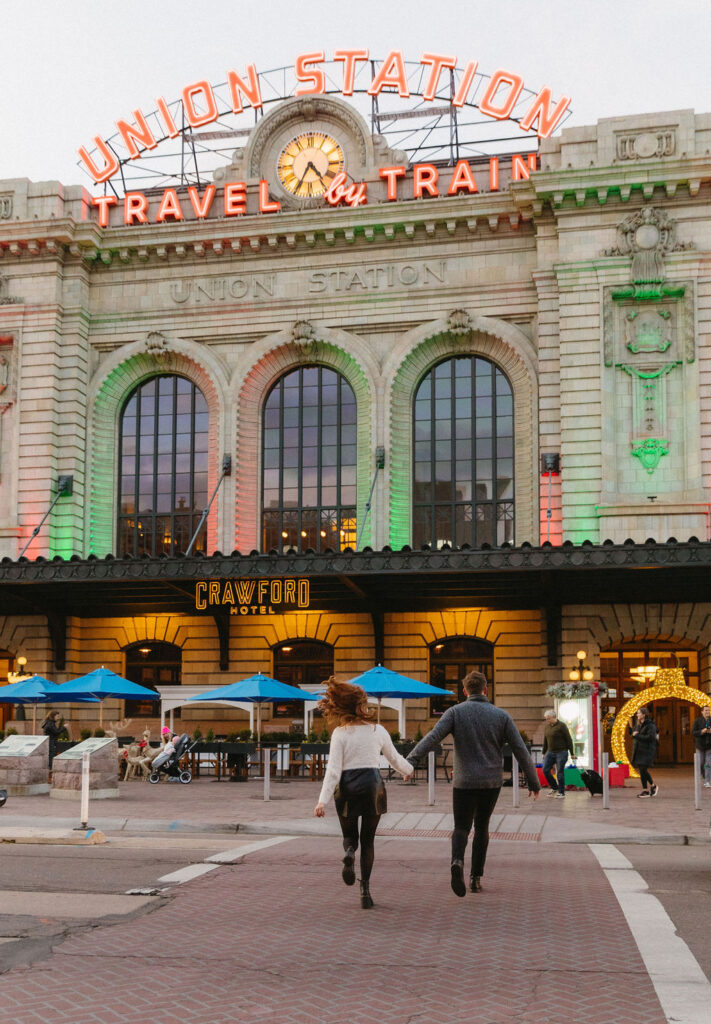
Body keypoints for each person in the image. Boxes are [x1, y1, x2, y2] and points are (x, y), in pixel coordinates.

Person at [406, 670, 539, 898]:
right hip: (490, 782)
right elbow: (520, 749)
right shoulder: (501, 716)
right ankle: (475, 877)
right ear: (486, 690)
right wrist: (534, 782)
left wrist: (410, 762)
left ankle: (457, 860)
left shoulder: (455, 712)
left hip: (464, 780)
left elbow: (433, 737)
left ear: (465, 691)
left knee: (461, 827)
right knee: (482, 827)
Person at [313, 677, 414, 909]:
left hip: (347, 787)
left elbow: (333, 771)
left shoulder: (340, 733)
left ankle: (349, 851)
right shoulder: (377, 730)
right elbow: (394, 758)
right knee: (368, 841)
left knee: (351, 836)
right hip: (372, 786)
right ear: (360, 707)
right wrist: (407, 771)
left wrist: (322, 801)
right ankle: (365, 891)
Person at [542, 709, 576, 799]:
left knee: (559, 772)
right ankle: (554, 787)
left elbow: (569, 739)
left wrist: (572, 753)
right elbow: (545, 740)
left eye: (548, 718)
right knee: (545, 769)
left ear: (554, 717)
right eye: (546, 719)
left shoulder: (562, 726)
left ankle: (561, 792)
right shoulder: (547, 727)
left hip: (561, 752)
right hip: (550, 751)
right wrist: (543, 752)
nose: (547, 720)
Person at [631, 707, 658, 797]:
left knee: (643, 770)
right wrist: (630, 728)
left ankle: (650, 788)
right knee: (642, 770)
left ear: (644, 714)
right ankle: (649, 788)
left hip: (647, 751)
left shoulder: (650, 725)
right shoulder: (638, 725)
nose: (637, 715)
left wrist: (637, 735)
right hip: (639, 750)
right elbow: (633, 734)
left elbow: (650, 738)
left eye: (638, 713)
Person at [692, 706, 711, 787]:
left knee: (708, 763)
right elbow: (693, 732)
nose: (708, 712)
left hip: (709, 745)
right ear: (702, 712)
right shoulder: (697, 721)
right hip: (700, 745)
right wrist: (702, 731)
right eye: (706, 710)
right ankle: (703, 775)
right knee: (700, 763)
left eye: (709, 710)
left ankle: (707, 781)